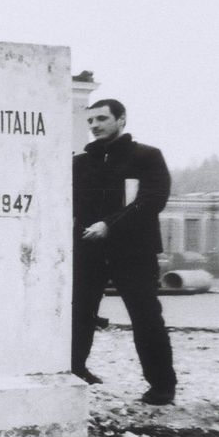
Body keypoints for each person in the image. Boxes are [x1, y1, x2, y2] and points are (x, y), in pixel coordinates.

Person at [72, 98, 176, 405]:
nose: (95, 126)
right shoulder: (81, 162)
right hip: (88, 249)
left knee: (145, 316)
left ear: (122, 120)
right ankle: (75, 370)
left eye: (102, 119)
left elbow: (151, 200)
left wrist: (109, 225)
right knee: (80, 313)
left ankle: (162, 385)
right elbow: (70, 203)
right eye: (90, 121)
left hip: (134, 252)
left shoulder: (146, 156)